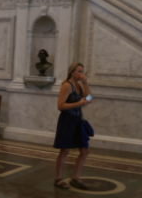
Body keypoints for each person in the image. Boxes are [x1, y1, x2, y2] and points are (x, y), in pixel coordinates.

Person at [54, 62, 93, 190]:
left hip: (77, 121)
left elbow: (89, 98)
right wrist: (78, 104)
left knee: (85, 150)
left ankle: (75, 177)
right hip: (67, 121)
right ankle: (58, 179)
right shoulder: (67, 86)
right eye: (79, 72)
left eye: (83, 72)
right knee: (64, 151)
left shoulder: (79, 86)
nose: (82, 74)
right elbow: (60, 106)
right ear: (72, 72)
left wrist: (85, 83)